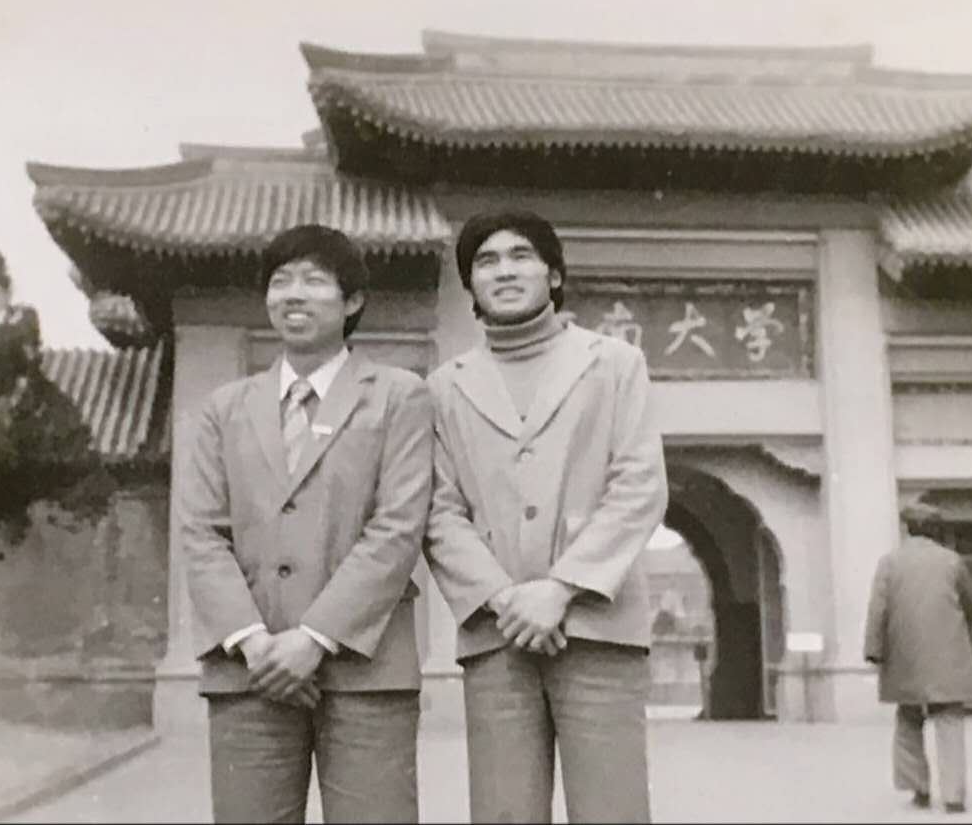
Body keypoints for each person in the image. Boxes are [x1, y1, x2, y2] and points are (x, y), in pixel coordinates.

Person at [177, 223, 434, 823]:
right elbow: (202, 534)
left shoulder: (399, 396)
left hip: (366, 668)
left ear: (352, 301)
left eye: (314, 281)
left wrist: (313, 639)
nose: (293, 294)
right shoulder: (225, 408)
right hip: (250, 670)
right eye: (280, 281)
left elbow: (397, 528)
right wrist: (255, 643)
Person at [423, 210, 668, 823]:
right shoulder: (444, 387)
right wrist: (507, 598)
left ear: (554, 275)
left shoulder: (615, 363)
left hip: (598, 627)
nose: (504, 271)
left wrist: (559, 590)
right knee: (504, 812)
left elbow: (638, 485)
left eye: (521, 256)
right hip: (498, 632)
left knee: (612, 812)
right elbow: (438, 510)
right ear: (470, 285)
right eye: (486, 261)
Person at [864, 501, 972, 815]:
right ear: (934, 530)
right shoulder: (952, 561)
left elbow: (878, 609)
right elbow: (970, 605)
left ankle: (919, 788)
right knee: (950, 721)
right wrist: (965, 637)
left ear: (908, 528)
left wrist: (874, 650)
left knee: (908, 719)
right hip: (948, 654)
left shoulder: (889, 562)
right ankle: (954, 797)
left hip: (904, 656)